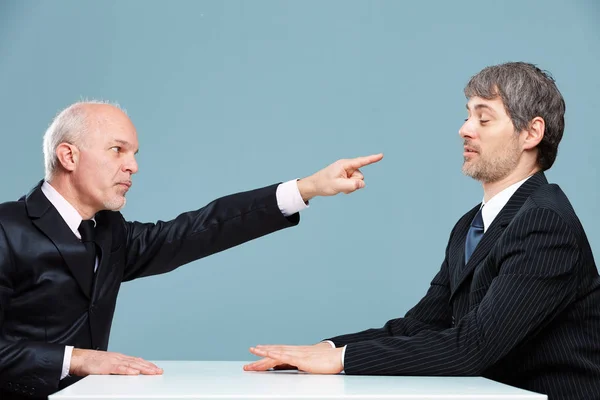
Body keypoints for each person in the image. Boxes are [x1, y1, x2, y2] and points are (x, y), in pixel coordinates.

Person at [245, 62, 600, 400]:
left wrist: (342, 360)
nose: (465, 129)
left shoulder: (545, 223)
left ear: (531, 133)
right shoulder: (470, 225)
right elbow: (420, 325)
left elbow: (473, 347)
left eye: (484, 118)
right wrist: (327, 349)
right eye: (467, 115)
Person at [0, 100, 383, 399]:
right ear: (69, 156)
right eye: (118, 150)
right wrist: (77, 358)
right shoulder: (6, 228)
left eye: (134, 153)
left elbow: (197, 231)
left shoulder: (108, 232)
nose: (133, 166)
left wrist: (307, 188)